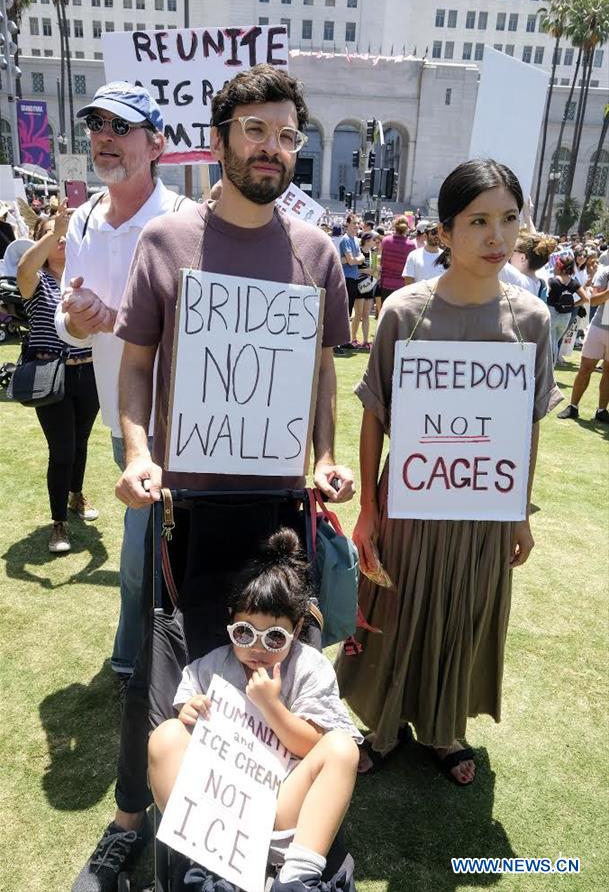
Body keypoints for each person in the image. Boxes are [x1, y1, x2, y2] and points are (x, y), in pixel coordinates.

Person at [72, 64, 354, 892]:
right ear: (223, 138)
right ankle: (176, 840)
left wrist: (326, 455)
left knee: (267, 669)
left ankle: (266, 846)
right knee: (183, 683)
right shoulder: (168, 241)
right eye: (256, 132)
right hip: (187, 511)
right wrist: (135, 453)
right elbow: (135, 371)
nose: (273, 149)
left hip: (277, 510)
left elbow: (322, 370)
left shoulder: (317, 250)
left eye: (287, 136)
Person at [335, 159, 562, 785]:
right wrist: (371, 512)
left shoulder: (532, 321)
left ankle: (444, 731)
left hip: (484, 509)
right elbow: (375, 414)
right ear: (445, 230)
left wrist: (519, 512)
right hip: (408, 503)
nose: (497, 237)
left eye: (510, 219)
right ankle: (380, 728)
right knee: (396, 610)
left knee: (464, 612)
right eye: (479, 221)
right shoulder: (404, 313)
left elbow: (528, 426)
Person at [54, 82, 191, 687]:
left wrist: (119, 322)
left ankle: (140, 658)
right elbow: (69, 319)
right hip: (123, 416)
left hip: (184, 420)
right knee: (142, 550)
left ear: (156, 142)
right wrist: (76, 318)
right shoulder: (83, 217)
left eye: (120, 127)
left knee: (155, 552)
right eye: (97, 127)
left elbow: (200, 326)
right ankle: (144, 658)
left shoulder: (185, 220)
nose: (104, 139)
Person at [148, 528, 361, 892]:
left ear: (296, 630)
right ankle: (211, 866)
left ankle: (296, 877)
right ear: (231, 624)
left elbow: (313, 746)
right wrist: (190, 714)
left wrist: (271, 705)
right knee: (166, 736)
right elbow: (184, 719)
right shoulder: (212, 665)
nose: (258, 648)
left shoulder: (307, 667)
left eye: (274, 637)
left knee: (342, 748)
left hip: (282, 805)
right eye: (245, 633)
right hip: (221, 808)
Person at [16, 202, 99, 553]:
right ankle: (58, 523)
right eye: (54, 236)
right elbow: (23, 268)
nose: (63, 241)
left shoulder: (83, 276)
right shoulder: (38, 283)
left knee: (80, 444)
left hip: (88, 373)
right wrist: (55, 231)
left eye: (66, 236)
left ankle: (76, 494)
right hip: (51, 376)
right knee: (62, 450)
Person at [557, 261, 609, 424]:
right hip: (599, 327)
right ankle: (573, 406)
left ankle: (602, 411)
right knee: (585, 368)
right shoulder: (605, 272)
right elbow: (593, 301)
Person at [546, 253, 585, 365]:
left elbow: (545, 296)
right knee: (556, 342)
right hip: (566, 315)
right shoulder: (574, 282)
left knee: (550, 343)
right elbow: (585, 298)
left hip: (552, 312)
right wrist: (573, 305)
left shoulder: (552, 281)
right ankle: (552, 368)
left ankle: (549, 370)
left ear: (559, 266)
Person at [377, 216, 415, 312]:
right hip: (402, 286)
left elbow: (381, 261)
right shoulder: (411, 245)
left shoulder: (386, 241)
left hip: (386, 284)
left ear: (395, 226)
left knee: (385, 315)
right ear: (407, 228)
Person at [350, 231, 379, 350]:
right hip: (359, 286)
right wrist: (366, 271)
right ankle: (353, 339)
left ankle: (366, 341)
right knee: (358, 314)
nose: (375, 242)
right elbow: (354, 268)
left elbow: (375, 271)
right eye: (373, 240)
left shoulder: (374, 254)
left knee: (366, 315)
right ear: (367, 240)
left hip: (369, 286)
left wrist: (374, 271)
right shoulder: (359, 251)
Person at [509, 232, 557, 300]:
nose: (509, 254)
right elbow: (535, 246)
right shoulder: (542, 283)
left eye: (513, 250)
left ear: (523, 258)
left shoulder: (514, 278)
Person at [339, 214, 365, 315]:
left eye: (358, 223)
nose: (357, 225)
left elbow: (358, 259)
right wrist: (357, 259)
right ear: (348, 224)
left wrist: (355, 259)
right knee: (345, 312)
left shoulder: (355, 239)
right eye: (354, 223)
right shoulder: (346, 239)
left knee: (349, 311)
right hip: (347, 278)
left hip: (354, 277)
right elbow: (351, 261)